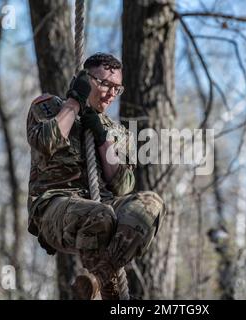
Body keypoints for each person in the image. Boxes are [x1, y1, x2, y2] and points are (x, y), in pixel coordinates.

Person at [26, 53, 165, 299]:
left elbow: (123, 186)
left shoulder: (118, 133)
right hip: (55, 207)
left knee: (151, 204)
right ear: (85, 79)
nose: (112, 93)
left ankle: (100, 277)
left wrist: (102, 139)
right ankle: (103, 277)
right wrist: (74, 103)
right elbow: (46, 142)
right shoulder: (48, 106)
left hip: (104, 208)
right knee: (101, 214)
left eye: (117, 88)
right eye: (105, 84)